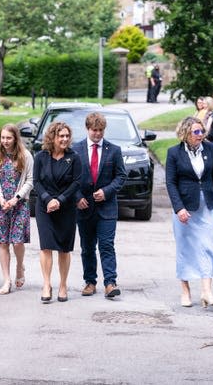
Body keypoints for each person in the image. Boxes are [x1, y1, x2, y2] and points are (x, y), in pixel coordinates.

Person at [166, 117, 213, 308]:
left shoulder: (209, 149)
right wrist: (179, 208)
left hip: (208, 207)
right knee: (186, 249)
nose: (201, 135)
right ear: (186, 133)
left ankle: (206, 291)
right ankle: (185, 291)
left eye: (202, 131)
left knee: (208, 247)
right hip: (185, 209)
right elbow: (170, 183)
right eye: (196, 132)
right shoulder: (174, 153)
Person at [74, 112, 127, 299]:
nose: (97, 134)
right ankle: (90, 281)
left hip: (107, 207)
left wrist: (107, 191)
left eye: (100, 130)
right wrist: (77, 197)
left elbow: (121, 176)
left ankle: (110, 283)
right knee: (87, 247)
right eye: (94, 130)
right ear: (87, 129)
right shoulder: (76, 149)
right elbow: (70, 177)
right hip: (84, 207)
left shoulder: (114, 150)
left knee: (106, 245)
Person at [33, 122, 81, 303]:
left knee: (64, 248)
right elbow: (36, 182)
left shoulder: (74, 157)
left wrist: (59, 200)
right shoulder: (40, 157)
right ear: (52, 137)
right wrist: (48, 199)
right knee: (46, 246)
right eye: (61, 136)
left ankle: (63, 284)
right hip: (44, 207)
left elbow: (76, 183)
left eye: (67, 136)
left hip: (66, 207)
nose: (65, 139)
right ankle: (46, 284)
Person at [0, 124, 33, 295]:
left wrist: (16, 199)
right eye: (3, 138)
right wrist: (0, 198)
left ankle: (20, 266)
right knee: (3, 241)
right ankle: (7, 280)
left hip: (19, 203)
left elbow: (30, 180)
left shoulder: (26, 156)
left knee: (18, 241)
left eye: (9, 138)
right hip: (1, 204)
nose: (5, 141)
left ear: (15, 138)